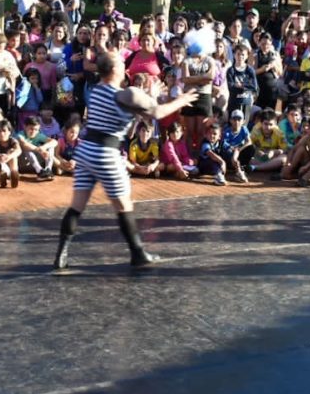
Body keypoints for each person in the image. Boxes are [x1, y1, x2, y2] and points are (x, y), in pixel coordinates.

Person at [51, 52, 199, 270]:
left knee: (76, 206)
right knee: (124, 205)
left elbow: (131, 116)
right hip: (106, 154)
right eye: (121, 63)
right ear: (114, 70)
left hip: (86, 152)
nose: (124, 64)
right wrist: (182, 100)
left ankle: (60, 255)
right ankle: (138, 253)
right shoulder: (126, 93)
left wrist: (147, 94)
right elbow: (156, 112)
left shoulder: (97, 91)